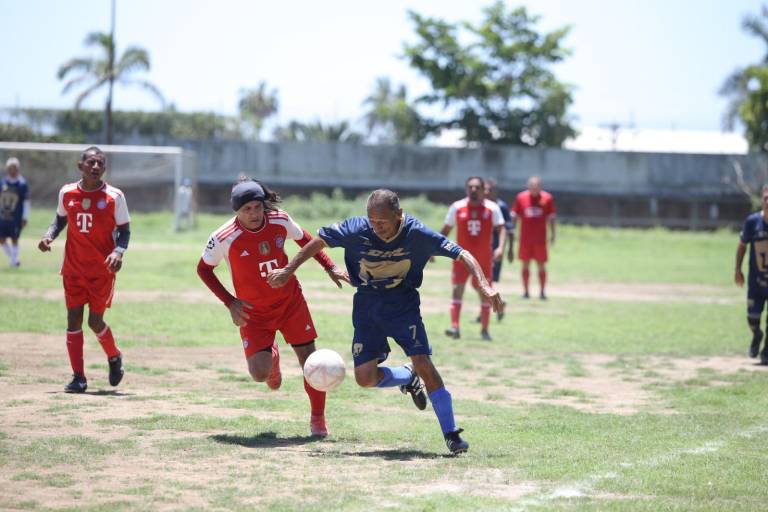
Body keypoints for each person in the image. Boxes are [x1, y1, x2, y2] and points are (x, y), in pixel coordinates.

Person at [267, 189, 503, 455]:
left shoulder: (417, 233)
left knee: (423, 362)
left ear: (399, 215)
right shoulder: (355, 229)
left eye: (383, 222)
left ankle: (451, 434)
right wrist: (289, 270)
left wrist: (484, 285)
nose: (376, 227)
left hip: (403, 305)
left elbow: (462, 253)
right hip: (367, 304)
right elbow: (318, 241)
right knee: (365, 378)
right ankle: (406, 376)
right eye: (372, 221)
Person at [196, 177, 348, 437]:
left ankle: (318, 419)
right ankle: (272, 360)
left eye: (257, 207)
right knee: (259, 374)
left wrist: (330, 267)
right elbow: (204, 270)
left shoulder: (279, 220)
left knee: (311, 362)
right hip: (253, 314)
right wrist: (230, 302)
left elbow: (307, 240)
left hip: (290, 303)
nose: (254, 214)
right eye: (247, 210)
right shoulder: (223, 237)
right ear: (237, 211)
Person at [38, 146, 130, 393]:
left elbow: (125, 231)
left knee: (94, 321)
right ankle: (78, 377)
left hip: (102, 271)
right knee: (73, 318)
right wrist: (49, 236)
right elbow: (59, 219)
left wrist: (117, 252)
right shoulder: (67, 192)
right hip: (73, 269)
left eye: (100, 163)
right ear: (80, 166)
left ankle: (114, 355)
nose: (96, 167)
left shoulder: (114, 196)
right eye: (91, 163)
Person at [440, 176, 505, 341]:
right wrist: (434, 249)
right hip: (462, 257)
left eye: (477, 187)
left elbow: (501, 228)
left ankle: (484, 330)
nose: (473, 190)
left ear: (483, 190)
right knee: (457, 288)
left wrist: (501, 247)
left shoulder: (492, 208)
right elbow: (446, 229)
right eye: (470, 187)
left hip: (484, 258)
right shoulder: (457, 207)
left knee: (485, 292)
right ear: (466, 189)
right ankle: (455, 327)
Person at [735, 185, 768, 364]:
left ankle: (767, 352)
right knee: (752, 318)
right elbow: (742, 246)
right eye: (766, 197)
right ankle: (757, 334)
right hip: (756, 282)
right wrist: (737, 270)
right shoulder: (752, 222)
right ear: (762, 199)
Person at [511, 176, 556, 300]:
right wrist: (512, 230)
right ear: (528, 186)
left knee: (541, 265)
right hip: (525, 239)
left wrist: (553, 234)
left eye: (537, 187)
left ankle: (542, 292)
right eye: (532, 187)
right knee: (525, 264)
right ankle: (526, 292)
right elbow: (515, 214)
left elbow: (552, 217)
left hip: (540, 240)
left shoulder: (547, 198)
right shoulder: (521, 197)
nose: (534, 189)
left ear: (540, 187)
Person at [484, 178, 514, 321]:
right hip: (482, 247)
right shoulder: (481, 205)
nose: (486, 192)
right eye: (485, 189)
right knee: (483, 281)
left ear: (494, 191)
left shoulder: (501, 207)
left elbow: (509, 230)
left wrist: (509, 250)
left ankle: (496, 304)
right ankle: (494, 306)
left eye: (489, 190)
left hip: (495, 249)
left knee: (487, 280)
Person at [0, 157, 30, 267]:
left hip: (16, 217)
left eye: (15, 168)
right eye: (10, 168)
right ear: (7, 169)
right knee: (1, 240)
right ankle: (15, 258)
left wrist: (25, 217)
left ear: (18, 169)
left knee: (14, 239)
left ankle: (14, 262)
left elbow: (26, 202)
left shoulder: (22, 184)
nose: (12, 170)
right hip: (3, 217)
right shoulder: (2, 182)